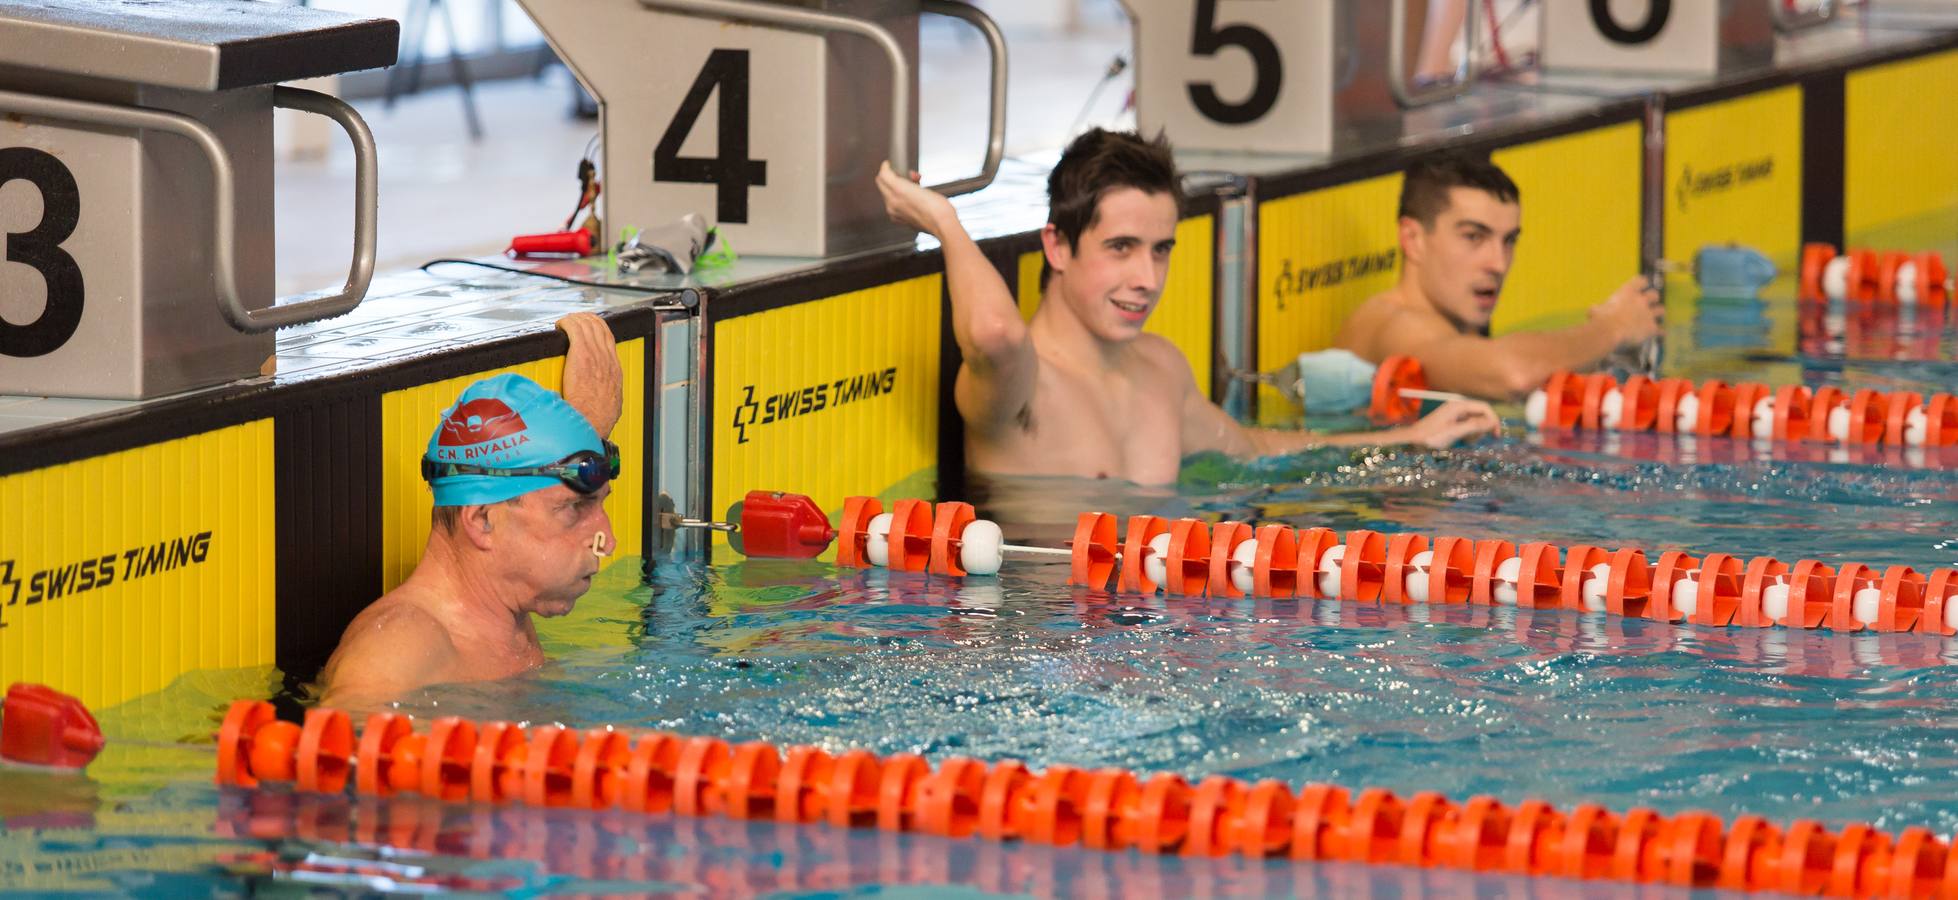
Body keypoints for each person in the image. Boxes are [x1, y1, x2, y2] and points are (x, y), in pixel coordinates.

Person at [874, 128, 1499, 488]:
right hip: (1051, 648)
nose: (1146, 279)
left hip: (1166, 637)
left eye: (1160, 250)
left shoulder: (1162, 370)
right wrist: (944, 221)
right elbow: (992, 332)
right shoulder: (1022, 386)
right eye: (1121, 248)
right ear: (1057, 246)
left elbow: (1251, 447)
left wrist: (1407, 439)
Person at [317, 313, 624, 709]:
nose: (607, 543)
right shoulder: (399, 646)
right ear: (481, 520)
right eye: (572, 509)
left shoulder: (499, 615)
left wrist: (590, 427)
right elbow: (332, 755)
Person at [1334, 151, 1664, 400]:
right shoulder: (1397, 324)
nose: (1498, 264)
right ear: (1413, 240)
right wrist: (1612, 328)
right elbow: (1514, 373)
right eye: (1473, 237)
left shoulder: (1451, 331)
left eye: (1508, 241)